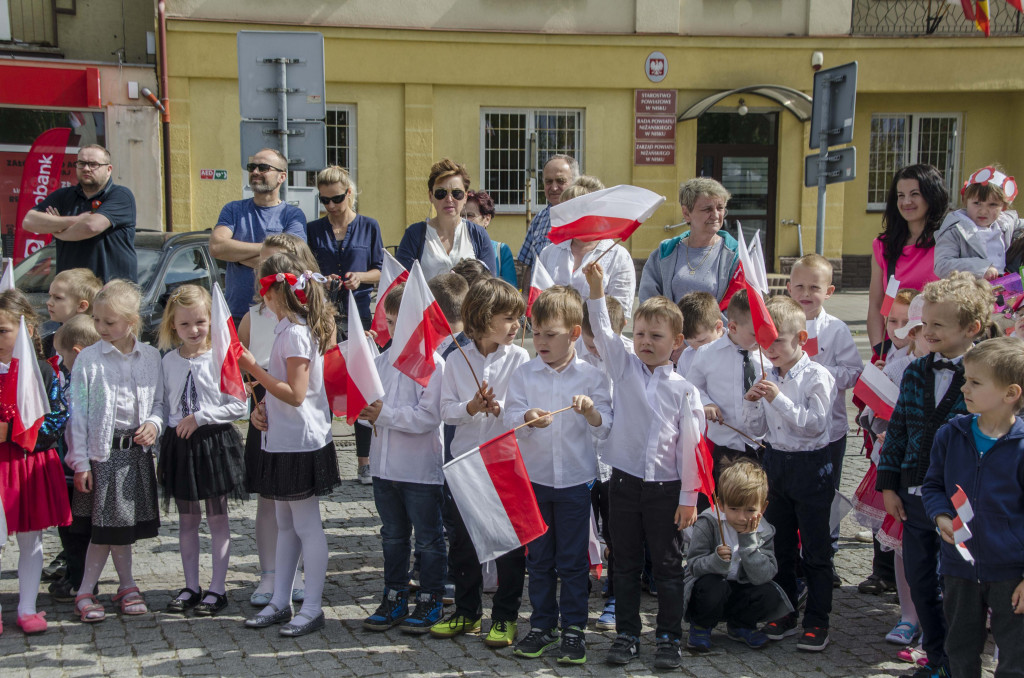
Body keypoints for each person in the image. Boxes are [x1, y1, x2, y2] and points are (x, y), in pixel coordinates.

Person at [584, 261, 704, 670]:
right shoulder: (623, 368)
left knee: (669, 565)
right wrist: (597, 291)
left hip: (666, 490)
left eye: (656, 336)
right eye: (639, 334)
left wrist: (689, 498)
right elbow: (602, 331)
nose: (645, 342)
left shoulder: (685, 391)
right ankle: (628, 635)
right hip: (624, 484)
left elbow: (691, 448)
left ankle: (669, 637)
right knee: (626, 562)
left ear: (677, 342)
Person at [875, 271, 993, 678]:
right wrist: (889, 484)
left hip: (961, 502)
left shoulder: (987, 377)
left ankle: (961, 663)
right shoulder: (915, 371)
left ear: (971, 328)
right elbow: (900, 429)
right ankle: (937, 657)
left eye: (938, 324)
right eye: (925, 323)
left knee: (959, 588)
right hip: (913, 497)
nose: (927, 330)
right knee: (922, 581)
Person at [504, 286, 612, 664]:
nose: (540, 341)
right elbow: (509, 418)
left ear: (574, 334)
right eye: (535, 332)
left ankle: (574, 629)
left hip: (575, 484)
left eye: (550, 334)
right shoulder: (524, 374)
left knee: (572, 560)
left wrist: (591, 413)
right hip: (535, 481)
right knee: (539, 559)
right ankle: (542, 625)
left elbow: (606, 427)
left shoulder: (592, 376)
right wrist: (527, 418)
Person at [240, 254, 340, 637]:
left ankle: (311, 606)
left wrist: (252, 368)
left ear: (275, 292)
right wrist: (261, 407)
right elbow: (283, 389)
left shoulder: (296, 332)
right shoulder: (287, 328)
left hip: (301, 442)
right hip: (281, 439)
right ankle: (281, 599)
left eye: (263, 289)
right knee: (285, 523)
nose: (260, 297)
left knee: (305, 524)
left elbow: (297, 394)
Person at [433, 278, 529, 646]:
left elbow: (520, 410)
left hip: (505, 462)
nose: (516, 325)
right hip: (467, 463)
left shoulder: (519, 357)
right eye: (509, 318)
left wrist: (499, 407)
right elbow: (445, 411)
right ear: (485, 318)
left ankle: (505, 616)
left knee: (508, 544)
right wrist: (471, 407)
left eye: (518, 317)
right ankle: (467, 611)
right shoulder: (455, 359)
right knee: (464, 542)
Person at [922, 337, 1024, 678]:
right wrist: (940, 516)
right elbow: (933, 486)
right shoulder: (950, 435)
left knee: (1015, 656)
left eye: (975, 382)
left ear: (1010, 394)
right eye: (965, 378)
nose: (963, 387)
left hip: (1011, 572)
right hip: (959, 568)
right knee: (961, 650)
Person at [67, 280, 166, 623]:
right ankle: (87, 589)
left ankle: (125, 585)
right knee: (105, 529)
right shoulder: (89, 361)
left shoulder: (151, 357)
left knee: (121, 528)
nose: (101, 328)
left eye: (109, 322)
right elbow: (77, 415)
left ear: (131, 322)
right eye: (97, 320)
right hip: (102, 457)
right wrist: (81, 462)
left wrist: (154, 422)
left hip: (135, 456)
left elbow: (159, 403)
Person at [742, 295, 837, 652]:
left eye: (778, 340)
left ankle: (818, 620)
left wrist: (778, 398)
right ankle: (783, 611)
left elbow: (814, 425)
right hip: (776, 464)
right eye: (764, 342)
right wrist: (751, 402)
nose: (770, 349)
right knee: (778, 546)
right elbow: (757, 431)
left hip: (811, 467)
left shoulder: (817, 376)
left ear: (801, 338)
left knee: (815, 551)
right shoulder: (768, 374)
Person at [360, 283, 447, 634]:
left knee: (428, 538)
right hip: (384, 469)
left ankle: (431, 598)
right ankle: (394, 595)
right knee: (392, 535)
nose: (396, 331)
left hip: (420, 471)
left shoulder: (434, 364)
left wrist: (383, 414)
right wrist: (362, 409)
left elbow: (427, 418)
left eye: (404, 322)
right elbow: (369, 405)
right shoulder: (380, 362)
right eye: (391, 323)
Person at [157, 285, 247, 617]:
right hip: (179, 446)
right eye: (185, 325)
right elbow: (163, 403)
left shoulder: (221, 355)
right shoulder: (168, 361)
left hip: (213, 444)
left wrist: (201, 417)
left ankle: (218, 588)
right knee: (187, 518)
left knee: (218, 516)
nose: (193, 330)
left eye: (200, 322)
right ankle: (191, 586)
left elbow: (240, 403)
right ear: (172, 326)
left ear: (211, 320)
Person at [236, 234, 317, 604]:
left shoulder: (308, 322)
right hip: (265, 418)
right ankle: (270, 575)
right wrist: (255, 407)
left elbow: (310, 382)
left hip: (295, 424)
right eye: (263, 266)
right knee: (268, 503)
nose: (267, 276)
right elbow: (245, 377)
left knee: (296, 507)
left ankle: (298, 575)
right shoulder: (252, 317)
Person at [0, 291, 72, 634]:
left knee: (32, 539)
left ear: (27, 329)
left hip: (29, 466)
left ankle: (27, 608)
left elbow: (57, 420)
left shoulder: (43, 371)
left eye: (2, 330)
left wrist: (15, 430)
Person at [788, 254, 863, 581]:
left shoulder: (836, 329)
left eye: (814, 287)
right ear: (789, 287)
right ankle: (790, 555)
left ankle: (825, 555)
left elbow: (853, 373)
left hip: (828, 431)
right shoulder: (779, 324)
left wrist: (818, 371)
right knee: (790, 497)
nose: (806, 293)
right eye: (800, 286)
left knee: (826, 495)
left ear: (829, 291)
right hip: (788, 431)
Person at [684, 461, 792, 653]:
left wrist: (749, 543)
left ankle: (741, 625)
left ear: (763, 507)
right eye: (734, 509)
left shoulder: (764, 530)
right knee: (712, 585)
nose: (742, 517)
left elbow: (764, 575)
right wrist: (715, 560)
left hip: (741, 590)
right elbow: (693, 565)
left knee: (767, 592)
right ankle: (701, 626)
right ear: (721, 504)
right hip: (710, 590)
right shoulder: (708, 522)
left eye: (750, 510)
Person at [578, 295, 631, 632]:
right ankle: (578, 584)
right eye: (589, 341)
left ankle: (615, 597)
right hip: (583, 457)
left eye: (601, 343)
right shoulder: (577, 359)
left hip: (617, 460)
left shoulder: (628, 356)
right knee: (581, 527)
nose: (595, 349)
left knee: (617, 532)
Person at [209, 148, 307, 325]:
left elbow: (290, 261)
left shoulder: (292, 215)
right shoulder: (233, 210)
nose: (255, 172)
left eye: (263, 168)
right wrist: (269, 254)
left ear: (281, 177)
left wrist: (236, 257)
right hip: (237, 313)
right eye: (251, 167)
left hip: (278, 314)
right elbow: (216, 247)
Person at [22, 144, 138, 282]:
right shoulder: (63, 196)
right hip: (71, 291)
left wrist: (58, 231)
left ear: (109, 169)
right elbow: (29, 221)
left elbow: (91, 227)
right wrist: (73, 220)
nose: (86, 168)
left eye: (93, 164)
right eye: (81, 163)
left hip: (110, 293)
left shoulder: (121, 195)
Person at [46, 315, 101, 605]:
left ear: (77, 353)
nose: (60, 362)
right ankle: (75, 574)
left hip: (76, 470)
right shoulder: (70, 379)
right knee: (71, 528)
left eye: (62, 356)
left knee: (76, 530)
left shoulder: (81, 384)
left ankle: (81, 581)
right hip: (70, 468)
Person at [867, 164, 948, 354]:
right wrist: (880, 350)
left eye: (915, 194)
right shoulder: (883, 245)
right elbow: (876, 305)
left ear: (932, 196)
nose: (906, 202)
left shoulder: (948, 242)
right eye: (900, 195)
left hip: (936, 349)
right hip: (895, 349)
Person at [688, 290, 766, 485]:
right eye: (754, 333)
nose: (761, 338)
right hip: (726, 446)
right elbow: (690, 388)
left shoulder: (767, 355)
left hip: (762, 444)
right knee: (726, 501)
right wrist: (706, 403)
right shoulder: (707, 354)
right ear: (732, 327)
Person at [536, 176, 636, 320]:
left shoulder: (617, 256)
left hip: (596, 341)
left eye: (575, 210)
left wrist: (597, 289)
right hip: (555, 339)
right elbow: (539, 302)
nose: (568, 216)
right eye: (566, 209)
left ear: (595, 213)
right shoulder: (550, 252)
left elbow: (620, 315)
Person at [639, 178, 740, 306]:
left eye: (720, 208)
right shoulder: (665, 252)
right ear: (686, 213)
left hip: (717, 327)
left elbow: (738, 309)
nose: (715, 215)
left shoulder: (735, 255)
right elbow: (648, 302)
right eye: (707, 209)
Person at [305, 166, 384, 328]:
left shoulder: (369, 226)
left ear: (348, 193)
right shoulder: (312, 229)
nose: (331, 205)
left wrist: (360, 277)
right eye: (325, 200)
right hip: (323, 312)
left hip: (359, 312)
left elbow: (381, 270)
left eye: (337, 198)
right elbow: (305, 272)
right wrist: (322, 280)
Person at [396, 158, 496, 281]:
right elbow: (400, 284)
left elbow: (489, 286)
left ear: (465, 197)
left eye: (456, 193)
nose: (449, 199)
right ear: (430, 196)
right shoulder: (414, 234)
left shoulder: (478, 235)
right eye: (441, 193)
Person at [934, 165, 1022, 280]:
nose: (983, 211)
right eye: (977, 203)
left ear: (1004, 207)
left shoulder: (1005, 223)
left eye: (992, 204)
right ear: (966, 201)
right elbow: (942, 265)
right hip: (969, 293)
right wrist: (981, 268)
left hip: (1005, 291)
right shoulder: (955, 229)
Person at [518, 154, 579, 283]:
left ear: (574, 182)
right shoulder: (538, 220)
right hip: (540, 300)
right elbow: (529, 265)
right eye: (548, 181)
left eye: (560, 181)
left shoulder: (584, 220)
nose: (554, 187)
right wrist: (525, 296)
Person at [44, 268, 102, 357]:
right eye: (50, 296)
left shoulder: (93, 343)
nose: (49, 302)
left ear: (82, 306)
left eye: (58, 298)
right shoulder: (48, 342)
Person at [464, 190, 516, 286]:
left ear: (487, 219)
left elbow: (510, 293)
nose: (464, 220)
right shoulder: (453, 248)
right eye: (461, 216)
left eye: (470, 215)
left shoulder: (501, 251)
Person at [676, 291, 725, 378]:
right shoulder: (687, 356)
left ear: (718, 327)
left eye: (701, 341)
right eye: (689, 343)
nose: (696, 347)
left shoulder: (736, 348)